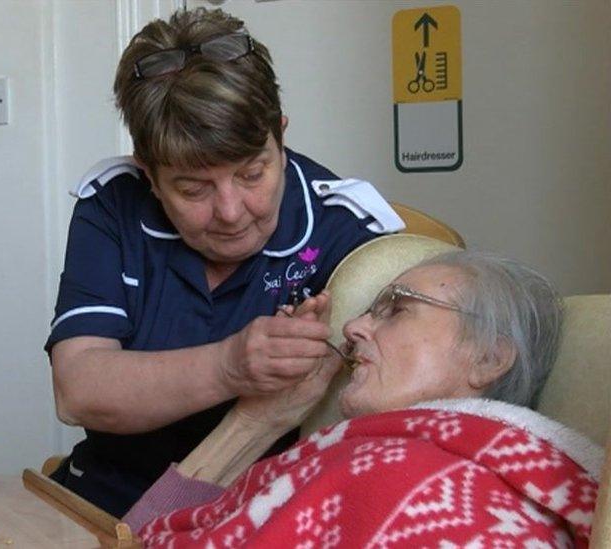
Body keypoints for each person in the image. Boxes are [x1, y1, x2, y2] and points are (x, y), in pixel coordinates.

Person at [45, 8, 404, 516]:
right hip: (107, 497)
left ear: (280, 136)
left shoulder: (349, 228)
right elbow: (78, 391)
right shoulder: (113, 204)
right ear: (148, 172)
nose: (232, 212)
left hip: (278, 508)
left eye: (253, 173)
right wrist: (232, 366)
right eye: (193, 189)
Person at [122, 250, 602, 547]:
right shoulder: (370, 456)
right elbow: (132, 538)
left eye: (397, 308)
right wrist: (260, 420)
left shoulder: (420, 479)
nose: (352, 328)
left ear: (489, 359)